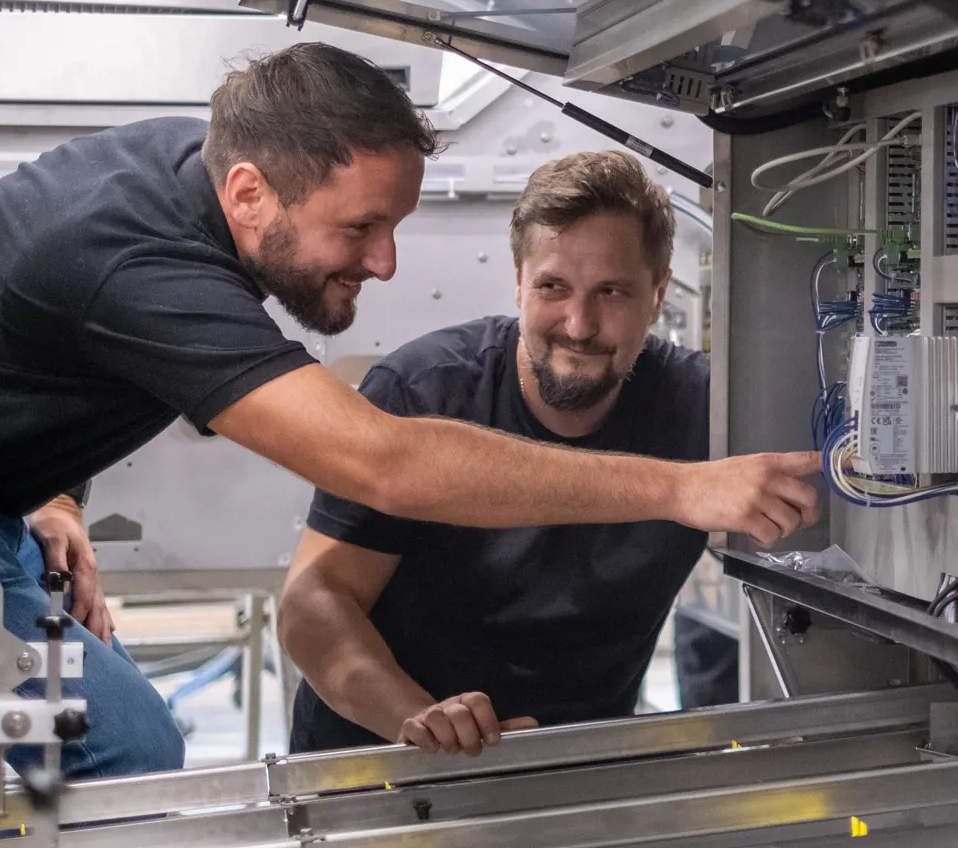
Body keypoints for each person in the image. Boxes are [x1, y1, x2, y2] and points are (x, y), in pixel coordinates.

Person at [0, 44, 818, 778]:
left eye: (613, 293)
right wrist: (682, 489)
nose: (384, 263)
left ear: (658, 294)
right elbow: (383, 464)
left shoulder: (186, 175)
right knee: (130, 752)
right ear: (247, 194)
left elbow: (52, 344)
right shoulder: (145, 258)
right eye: (361, 227)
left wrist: (52, 494)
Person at [279, 150, 736, 753]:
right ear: (519, 282)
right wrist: (418, 719)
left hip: (575, 773)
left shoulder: (704, 408)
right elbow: (313, 603)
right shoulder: (422, 391)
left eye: (612, 292)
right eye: (553, 287)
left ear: (657, 295)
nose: (579, 324)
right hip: (382, 761)